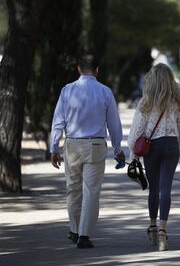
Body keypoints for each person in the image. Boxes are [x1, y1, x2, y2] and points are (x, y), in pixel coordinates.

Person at [50, 54, 125, 248]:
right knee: (91, 191)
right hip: (96, 146)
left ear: (78, 69)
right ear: (97, 70)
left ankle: (74, 230)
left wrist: (54, 147)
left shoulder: (67, 90)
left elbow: (58, 121)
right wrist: (118, 149)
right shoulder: (105, 91)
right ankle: (84, 235)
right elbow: (114, 124)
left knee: (72, 189)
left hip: (72, 145)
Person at [128, 63, 180, 251]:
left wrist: (133, 153)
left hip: (152, 147)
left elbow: (137, 129)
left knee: (153, 189)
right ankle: (164, 231)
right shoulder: (177, 101)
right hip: (171, 146)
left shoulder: (146, 102)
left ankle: (152, 226)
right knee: (166, 189)